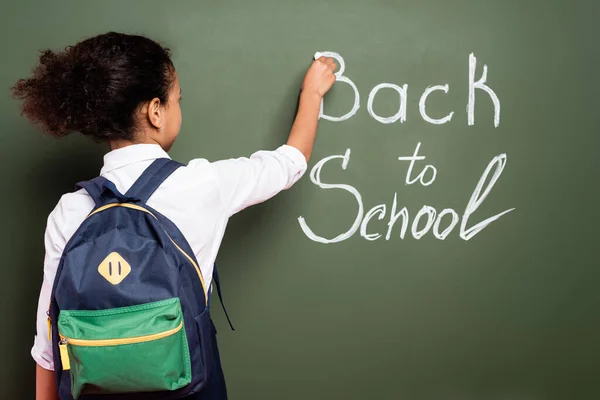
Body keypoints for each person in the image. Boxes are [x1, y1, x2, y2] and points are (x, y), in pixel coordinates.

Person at [11, 31, 336, 400]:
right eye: (177, 99)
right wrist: (312, 94)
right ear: (155, 111)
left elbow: (48, 343)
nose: (179, 107)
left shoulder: (70, 211)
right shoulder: (202, 185)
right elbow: (290, 163)